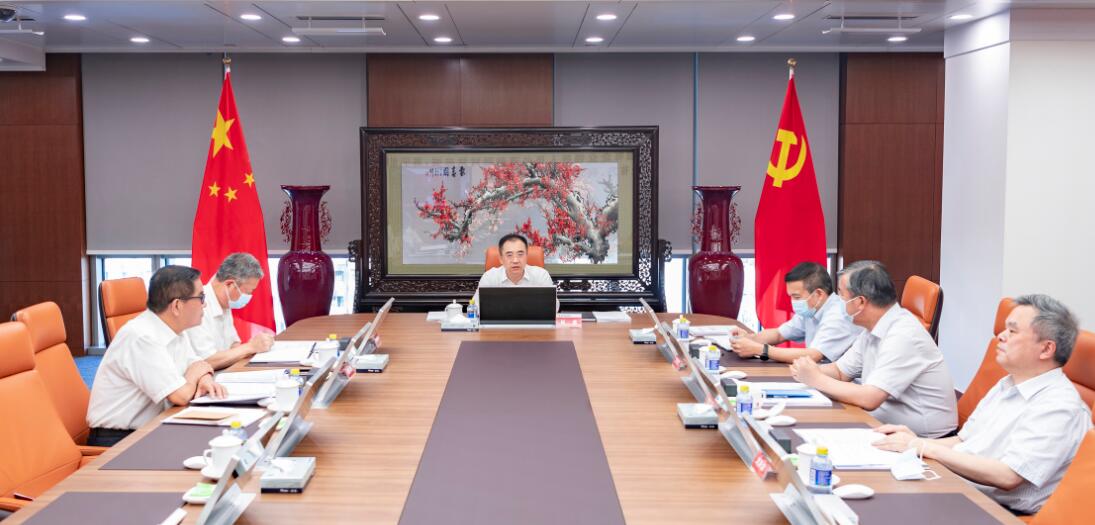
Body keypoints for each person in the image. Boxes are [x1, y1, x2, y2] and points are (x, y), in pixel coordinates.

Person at [874, 294, 1091, 515]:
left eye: (1012, 331)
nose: (1001, 337)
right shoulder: (1008, 383)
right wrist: (912, 441)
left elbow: (1008, 476)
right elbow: (963, 441)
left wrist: (924, 447)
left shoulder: (1059, 406)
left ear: (1046, 349)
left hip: (1000, 511)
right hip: (963, 487)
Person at [789, 260, 957, 437]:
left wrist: (815, 378)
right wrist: (808, 370)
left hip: (921, 440)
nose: (838, 303)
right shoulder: (873, 328)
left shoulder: (903, 335)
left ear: (860, 302)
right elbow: (840, 372)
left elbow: (869, 398)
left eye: (842, 296)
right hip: (880, 425)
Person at [86, 266, 226, 446]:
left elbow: (198, 364)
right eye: (201, 297)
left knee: (220, 438)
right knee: (209, 447)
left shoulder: (174, 327)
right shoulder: (142, 337)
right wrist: (194, 376)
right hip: (117, 440)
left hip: (153, 426)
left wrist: (205, 377)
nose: (204, 304)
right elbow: (181, 396)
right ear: (177, 306)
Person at [729, 261, 860, 363]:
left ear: (819, 294)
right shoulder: (812, 309)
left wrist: (761, 349)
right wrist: (749, 339)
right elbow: (779, 334)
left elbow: (813, 355)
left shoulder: (838, 315)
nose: (793, 302)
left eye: (796, 297)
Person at [186, 252, 274, 370]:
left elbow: (233, 345)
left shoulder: (224, 302)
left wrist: (254, 347)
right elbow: (206, 361)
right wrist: (251, 347)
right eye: (248, 292)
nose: (249, 297)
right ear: (230, 284)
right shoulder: (198, 306)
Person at [472, 233, 558, 311]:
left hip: (532, 323)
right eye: (509, 255)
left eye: (520, 254)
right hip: (498, 323)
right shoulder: (489, 277)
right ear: (501, 259)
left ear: (526, 256)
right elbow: (475, 307)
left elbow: (553, 307)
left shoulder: (541, 275)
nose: (515, 260)